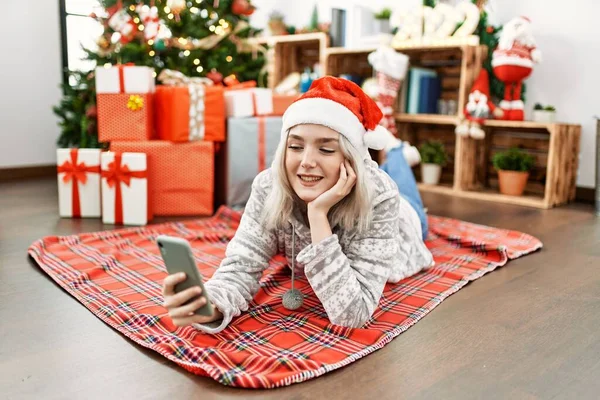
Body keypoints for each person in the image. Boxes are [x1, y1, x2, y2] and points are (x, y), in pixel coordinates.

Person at [162, 76, 434, 333]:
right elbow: (240, 268)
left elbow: (353, 314)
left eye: (326, 149)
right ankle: (395, 153)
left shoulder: (381, 196)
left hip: (407, 220)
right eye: (295, 146)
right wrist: (210, 306)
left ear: (351, 159)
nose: (306, 162)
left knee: (399, 172)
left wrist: (318, 214)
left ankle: (397, 151)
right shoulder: (269, 186)